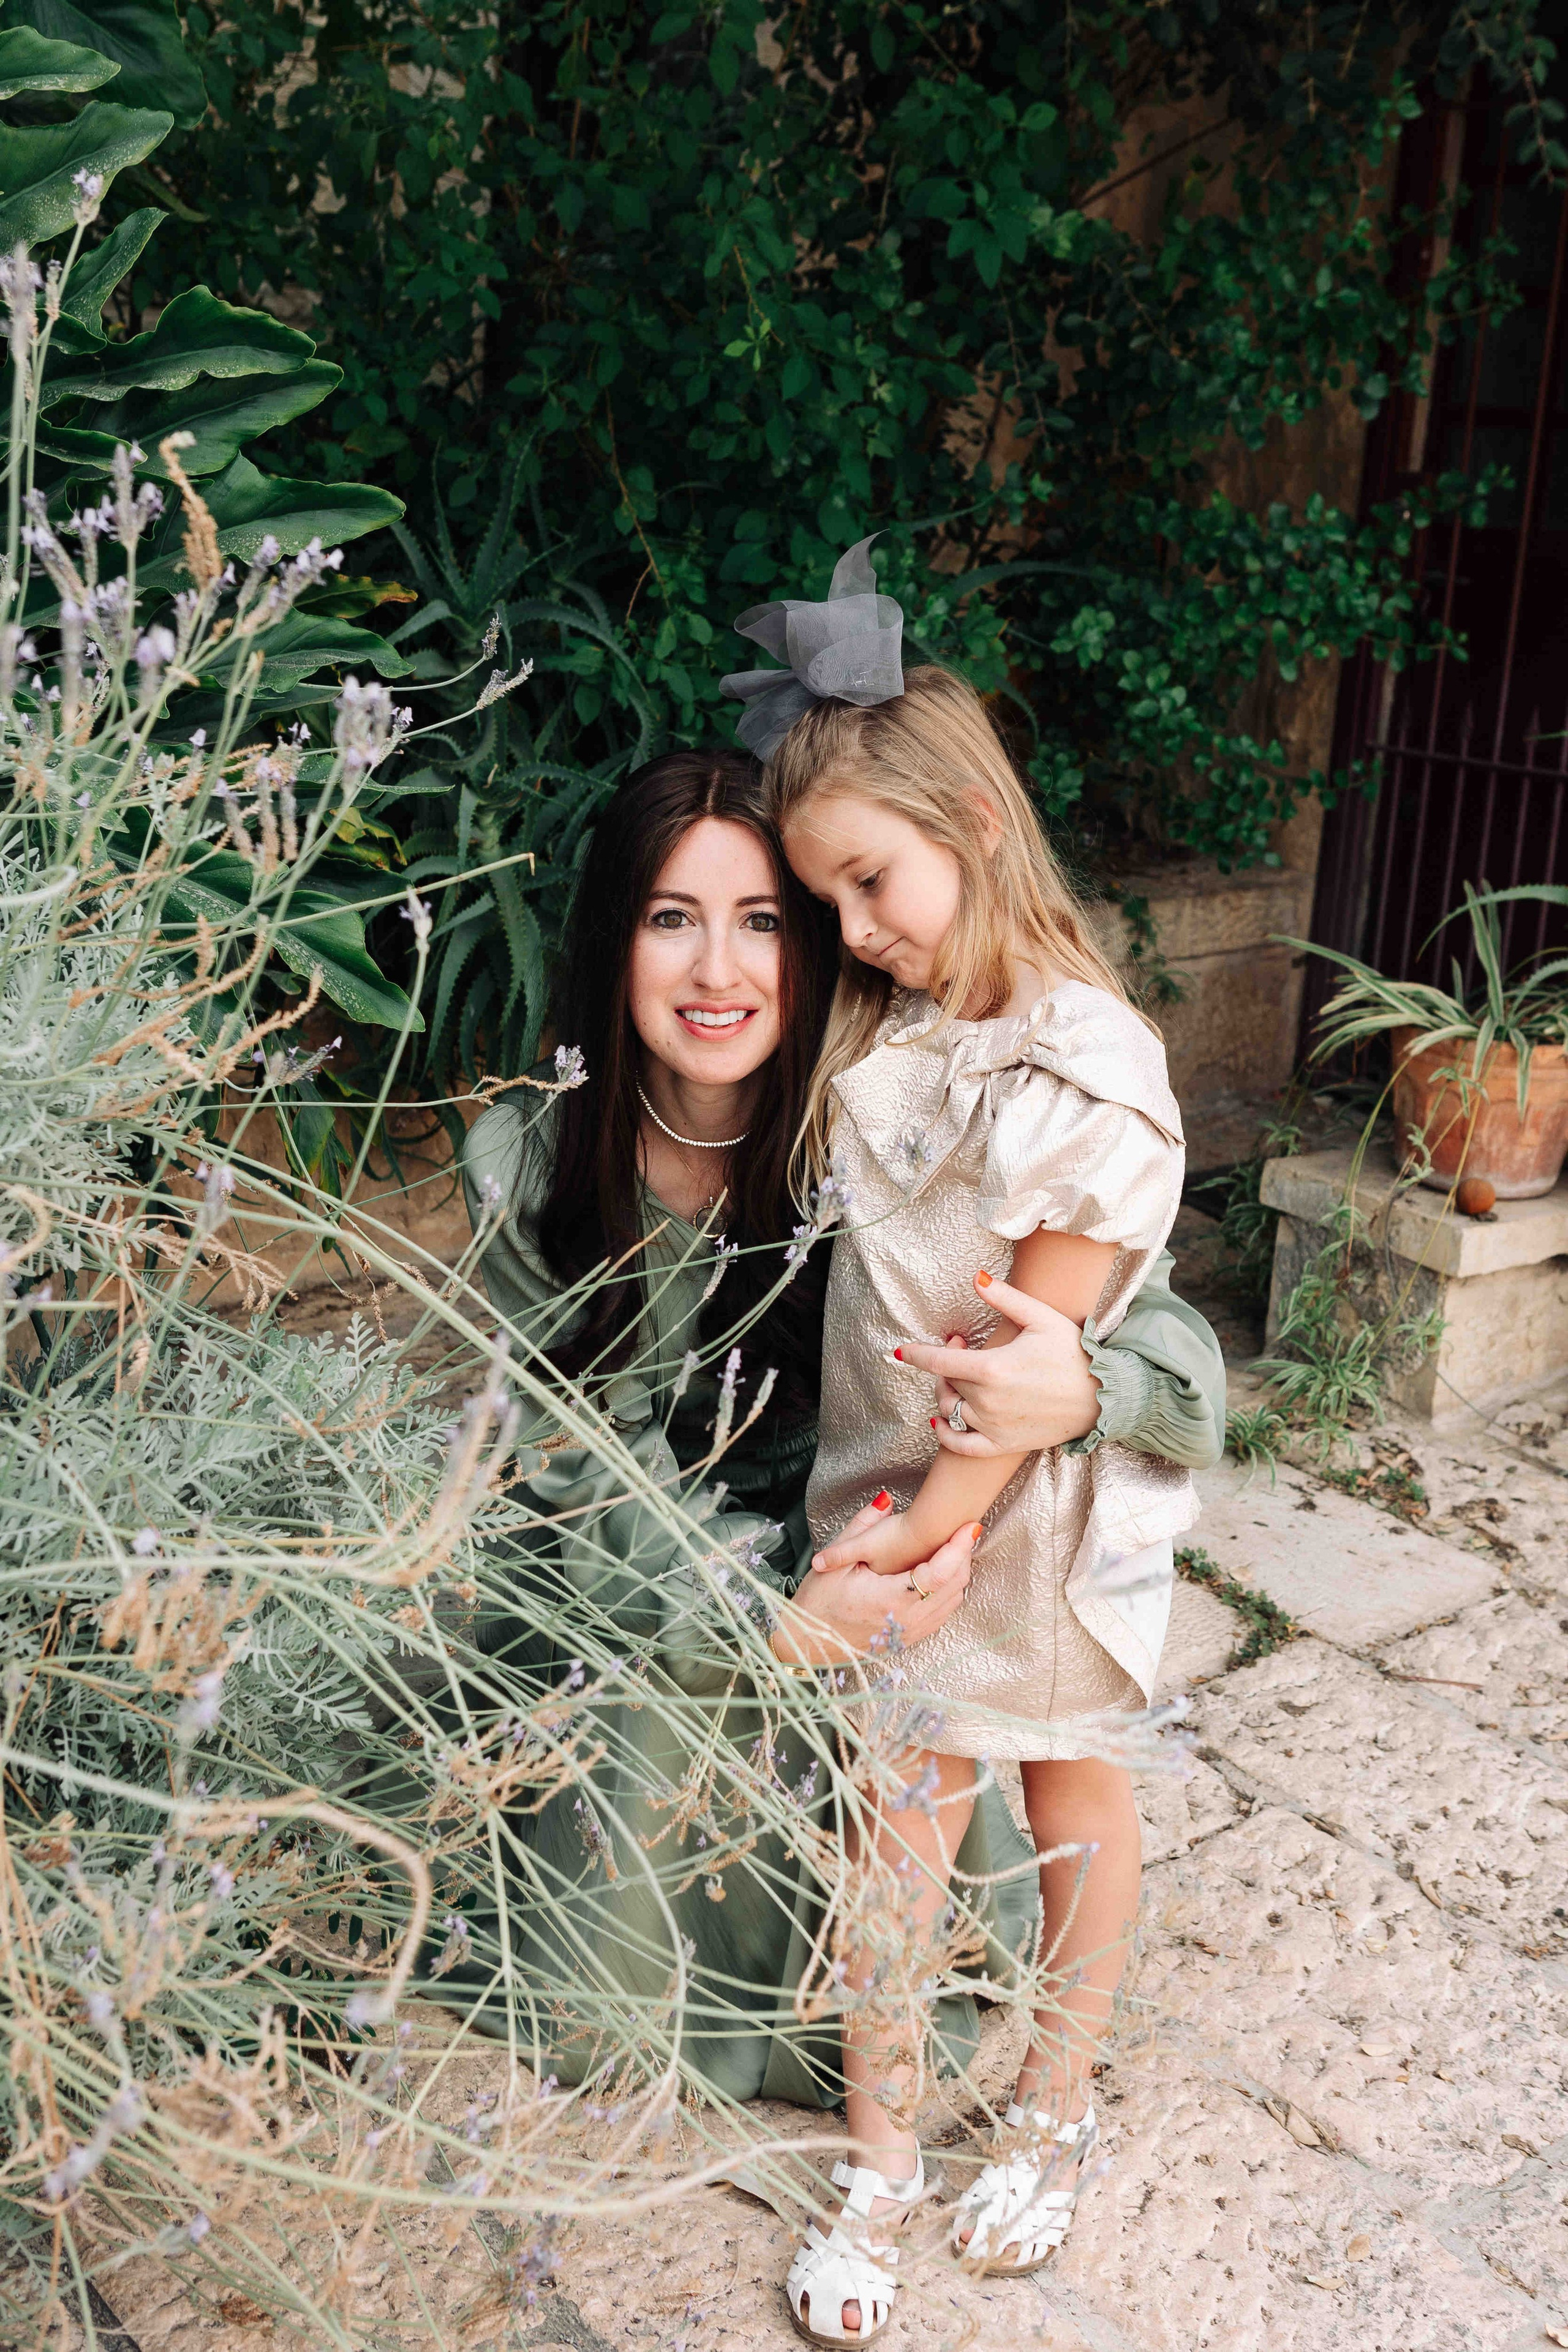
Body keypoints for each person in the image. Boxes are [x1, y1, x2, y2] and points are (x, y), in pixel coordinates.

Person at [456, 744, 1223, 2149]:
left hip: (870, 1533)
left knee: (908, 1720)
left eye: (760, 921)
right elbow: (573, 1472)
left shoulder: (888, 1103)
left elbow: (1158, 1332)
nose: (715, 970)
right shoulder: (532, 1157)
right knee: (661, 1725)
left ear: (816, 945)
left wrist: (1083, 1389)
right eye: (668, 917)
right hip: (646, 1576)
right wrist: (770, 1620)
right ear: (612, 938)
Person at [722, 541, 1200, 2340]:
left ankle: (1057, 2106)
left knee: (1071, 1796)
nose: (855, 929)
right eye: (827, 896)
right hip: (887, 1495)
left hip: (1020, 1513)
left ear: (972, 826)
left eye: (872, 882)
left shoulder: (1083, 1060)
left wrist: (928, 1541)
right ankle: (883, 2153)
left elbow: (1025, 1358)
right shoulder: (908, 1033)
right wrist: (880, 1521)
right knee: (892, 1830)